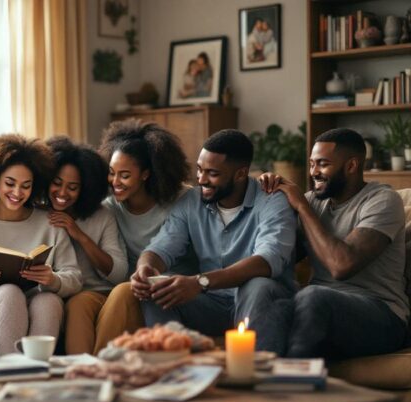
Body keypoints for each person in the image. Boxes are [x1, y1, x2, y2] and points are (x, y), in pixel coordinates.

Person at [133, 129, 296, 356]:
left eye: (212, 173)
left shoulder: (271, 200)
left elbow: (267, 260)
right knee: (157, 291)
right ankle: (173, 369)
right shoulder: (192, 201)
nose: (201, 180)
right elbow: (161, 246)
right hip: (212, 304)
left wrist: (200, 282)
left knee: (258, 285)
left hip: (262, 302)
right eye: (199, 170)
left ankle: (258, 372)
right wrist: (145, 269)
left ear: (240, 174)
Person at [259, 128, 408, 359]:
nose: (313, 173)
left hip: (383, 315)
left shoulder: (382, 200)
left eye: (322, 164)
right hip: (318, 311)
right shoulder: (313, 201)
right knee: (273, 301)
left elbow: (342, 265)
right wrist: (266, 201)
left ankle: (293, 379)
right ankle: (258, 379)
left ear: (351, 166)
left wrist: (302, 207)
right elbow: (278, 257)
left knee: (312, 296)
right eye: (311, 164)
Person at [0, 134, 82, 355]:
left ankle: (36, 376)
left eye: (26, 186)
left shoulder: (50, 222)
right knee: (10, 292)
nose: (17, 193)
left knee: (48, 300)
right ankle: (12, 371)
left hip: (37, 306)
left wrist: (53, 279)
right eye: (10, 183)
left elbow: (74, 277)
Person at [92, 119, 193, 354]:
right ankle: (92, 365)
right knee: (101, 297)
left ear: (146, 174)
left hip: (174, 290)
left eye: (124, 175)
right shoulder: (110, 208)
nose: (115, 182)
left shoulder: (183, 200)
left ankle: (100, 367)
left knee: (122, 292)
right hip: (136, 288)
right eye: (111, 173)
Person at [43, 136, 128, 355]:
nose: (62, 194)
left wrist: (78, 234)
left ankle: (84, 370)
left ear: (86, 189)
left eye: (72, 188)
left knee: (78, 302)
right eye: (57, 183)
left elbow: (118, 274)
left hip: (94, 293)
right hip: (53, 292)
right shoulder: (37, 212)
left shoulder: (102, 216)